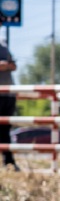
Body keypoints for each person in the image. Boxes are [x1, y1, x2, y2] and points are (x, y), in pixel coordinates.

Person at [0, 41, 18, 170]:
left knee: (5, 129)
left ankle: (9, 162)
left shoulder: (4, 46)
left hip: (8, 93)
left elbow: (14, 66)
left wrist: (9, 65)